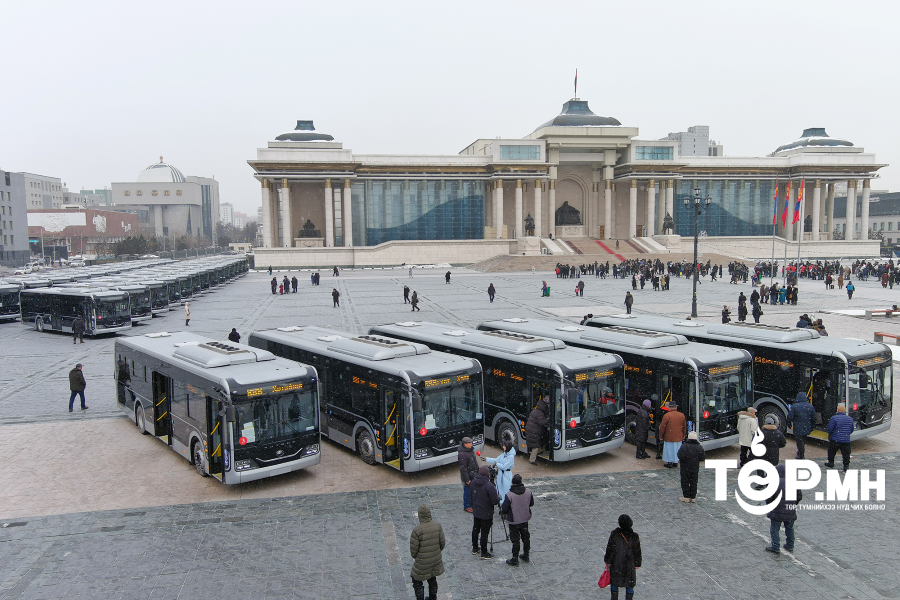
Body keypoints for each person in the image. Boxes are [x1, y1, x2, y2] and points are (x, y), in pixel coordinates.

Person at [409, 503, 445, 600]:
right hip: (436, 559)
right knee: (432, 577)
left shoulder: (417, 530)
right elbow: (442, 544)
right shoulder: (437, 525)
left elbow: (413, 552)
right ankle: (433, 598)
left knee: (416, 579)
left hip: (422, 562)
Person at [603, 514, 642, 600]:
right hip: (629, 564)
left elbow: (610, 549)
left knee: (614, 583)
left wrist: (608, 561)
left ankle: (614, 598)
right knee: (630, 585)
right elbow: (637, 551)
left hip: (616, 563)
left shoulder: (615, 534)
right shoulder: (634, 536)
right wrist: (637, 563)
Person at [766, 464, 801, 554]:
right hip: (790, 511)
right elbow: (799, 496)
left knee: (774, 529)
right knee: (789, 528)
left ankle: (776, 547)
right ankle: (790, 545)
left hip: (777, 511)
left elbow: (769, 498)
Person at [500, 474, 533, 566]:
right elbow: (531, 503)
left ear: (512, 482)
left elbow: (505, 509)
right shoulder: (528, 492)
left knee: (515, 540)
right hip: (525, 518)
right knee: (526, 538)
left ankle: (515, 558)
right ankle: (526, 555)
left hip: (514, 521)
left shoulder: (509, 495)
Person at [470, 465, 500, 560]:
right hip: (486, 513)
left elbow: (472, 496)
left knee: (476, 529)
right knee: (484, 533)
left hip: (477, 511)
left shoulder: (474, 482)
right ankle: (484, 552)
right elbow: (494, 501)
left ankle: (475, 548)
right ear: (487, 474)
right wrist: (498, 498)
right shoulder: (489, 486)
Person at [677, 431, 706, 503]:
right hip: (695, 467)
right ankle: (693, 497)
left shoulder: (685, 446)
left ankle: (686, 496)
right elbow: (703, 457)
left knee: (685, 481)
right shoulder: (699, 447)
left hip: (685, 467)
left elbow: (680, 455)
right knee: (694, 481)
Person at [825, 403, 854, 472]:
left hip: (835, 439)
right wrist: (845, 434)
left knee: (832, 451)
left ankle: (831, 463)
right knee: (846, 454)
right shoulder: (850, 419)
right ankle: (846, 466)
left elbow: (830, 429)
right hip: (846, 440)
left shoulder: (834, 418)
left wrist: (831, 435)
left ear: (838, 410)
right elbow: (851, 429)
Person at [787, 393, 815, 459]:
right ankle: (800, 452)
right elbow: (814, 418)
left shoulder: (794, 406)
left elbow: (789, 417)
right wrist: (812, 426)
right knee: (803, 440)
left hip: (798, 427)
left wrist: (789, 424)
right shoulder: (810, 406)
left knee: (799, 441)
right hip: (807, 427)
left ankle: (801, 455)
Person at [658, 401, 687, 468]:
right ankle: (675, 462)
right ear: (676, 407)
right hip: (678, 436)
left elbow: (662, 427)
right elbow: (684, 426)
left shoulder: (667, 415)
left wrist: (661, 436)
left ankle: (669, 463)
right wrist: (684, 434)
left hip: (669, 437)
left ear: (669, 407)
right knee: (677, 449)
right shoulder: (681, 415)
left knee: (669, 450)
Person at [525, 395, 550, 465]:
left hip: (530, 431)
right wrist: (548, 419)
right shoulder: (540, 413)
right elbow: (541, 422)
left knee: (537, 443)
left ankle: (538, 452)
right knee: (535, 446)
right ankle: (532, 460)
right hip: (534, 432)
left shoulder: (535, 411)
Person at [457, 437, 478, 512]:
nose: (471, 444)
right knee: (467, 491)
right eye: (469, 443)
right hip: (468, 476)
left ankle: (471, 504)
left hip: (473, 474)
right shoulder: (462, 454)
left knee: (471, 490)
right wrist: (467, 479)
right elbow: (463, 468)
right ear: (465, 444)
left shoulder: (470, 451)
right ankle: (467, 506)